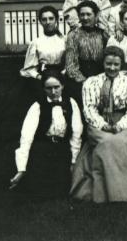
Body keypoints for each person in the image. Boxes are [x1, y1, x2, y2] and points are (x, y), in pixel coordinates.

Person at [70, 47, 127, 203]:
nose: (112, 68)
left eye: (116, 64)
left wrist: (120, 126)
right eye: (108, 63)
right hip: (99, 121)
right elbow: (89, 109)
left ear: (121, 64)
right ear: (103, 63)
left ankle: (122, 196)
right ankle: (104, 194)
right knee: (106, 141)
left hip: (125, 121)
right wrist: (102, 125)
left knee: (118, 141)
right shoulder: (91, 82)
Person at [9, 68, 83, 201]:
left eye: (56, 87)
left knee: (62, 188)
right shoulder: (38, 106)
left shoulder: (71, 103)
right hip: (42, 149)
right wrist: (21, 168)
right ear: (43, 89)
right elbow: (26, 137)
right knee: (39, 190)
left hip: (62, 149)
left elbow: (76, 134)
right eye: (49, 88)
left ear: (63, 86)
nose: (53, 92)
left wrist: (73, 161)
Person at [64, 0, 109, 106]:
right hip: (80, 75)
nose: (85, 18)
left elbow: (109, 57)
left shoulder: (103, 34)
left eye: (89, 14)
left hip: (100, 74)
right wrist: (83, 81)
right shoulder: (73, 35)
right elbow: (71, 64)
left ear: (96, 15)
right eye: (82, 14)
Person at [19, 6, 66, 99]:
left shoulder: (65, 40)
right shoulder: (36, 42)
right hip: (43, 76)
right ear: (40, 22)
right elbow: (29, 68)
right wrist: (39, 77)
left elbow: (70, 63)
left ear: (56, 19)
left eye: (51, 18)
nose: (48, 22)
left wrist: (63, 74)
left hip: (62, 76)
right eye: (44, 19)